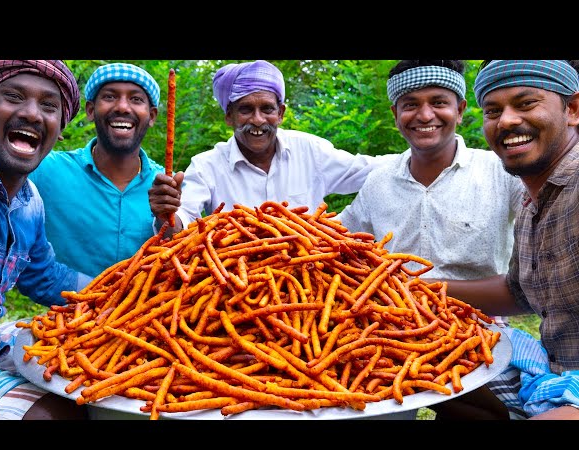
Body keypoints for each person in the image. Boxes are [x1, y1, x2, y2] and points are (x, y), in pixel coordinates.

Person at [0, 60, 93, 420]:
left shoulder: (30, 201)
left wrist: (122, 293)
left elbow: (44, 276)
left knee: (89, 379)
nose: (32, 113)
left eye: (49, 105)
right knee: (53, 416)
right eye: (13, 96)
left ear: (59, 127)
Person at [434, 60, 579, 420]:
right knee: (437, 368)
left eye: (526, 103)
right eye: (493, 110)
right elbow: (518, 292)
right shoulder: (533, 202)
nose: (507, 121)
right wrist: (412, 287)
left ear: (573, 109)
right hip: (554, 373)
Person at [337, 60, 523, 325]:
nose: (425, 115)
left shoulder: (503, 173)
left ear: (459, 111)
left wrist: (420, 286)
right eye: (410, 105)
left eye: (438, 103)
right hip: (393, 331)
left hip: (483, 332)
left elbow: (529, 280)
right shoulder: (378, 182)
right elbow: (336, 237)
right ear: (395, 114)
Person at [148, 59, 383, 238]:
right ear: (229, 116)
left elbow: (371, 171)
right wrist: (165, 215)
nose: (258, 120)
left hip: (310, 283)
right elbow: (181, 225)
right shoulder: (206, 165)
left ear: (280, 114)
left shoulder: (310, 150)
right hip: (233, 284)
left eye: (267, 109)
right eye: (246, 109)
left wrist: (418, 152)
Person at [29, 63, 166, 278]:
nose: (123, 107)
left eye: (136, 99)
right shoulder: (44, 170)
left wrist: (166, 220)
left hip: (150, 310)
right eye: (110, 97)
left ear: (152, 116)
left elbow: (181, 257)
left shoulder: (167, 185)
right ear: (91, 110)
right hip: (64, 308)